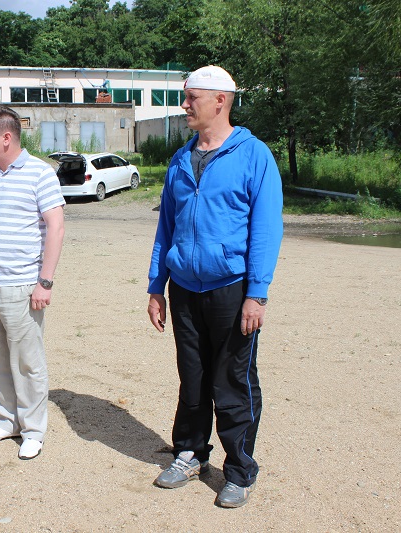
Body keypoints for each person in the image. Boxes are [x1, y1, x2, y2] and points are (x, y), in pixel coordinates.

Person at [147, 65, 283, 508]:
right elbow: (165, 227)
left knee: (232, 380)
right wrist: (156, 284)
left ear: (220, 101)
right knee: (193, 377)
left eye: (192, 98)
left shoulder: (254, 155)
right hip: (184, 287)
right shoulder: (180, 159)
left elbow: (265, 229)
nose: (185, 105)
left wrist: (256, 293)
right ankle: (190, 453)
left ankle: (240, 469)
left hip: (232, 286)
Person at [0, 105, 65, 460]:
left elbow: (56, 227)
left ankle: (34, 429)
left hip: (22, 285)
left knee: (27, 360)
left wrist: (45, 282)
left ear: (6, 137)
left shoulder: (40, 174)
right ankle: (8, 421)